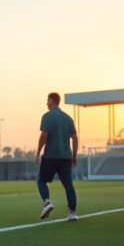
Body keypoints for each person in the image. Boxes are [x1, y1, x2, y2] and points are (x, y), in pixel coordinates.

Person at [35, 92, 78, 221]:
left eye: (47, 101)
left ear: (52, 101)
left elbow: (43, 136)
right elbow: (75, 138)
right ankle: (72, 212)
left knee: (41, 180)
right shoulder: (68, 118)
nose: (47, 103)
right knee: (68, 184)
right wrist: (74, 156)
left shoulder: (47, 116)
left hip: (51, 156)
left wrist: (38, 153)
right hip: (65, 157)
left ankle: (47, 202)